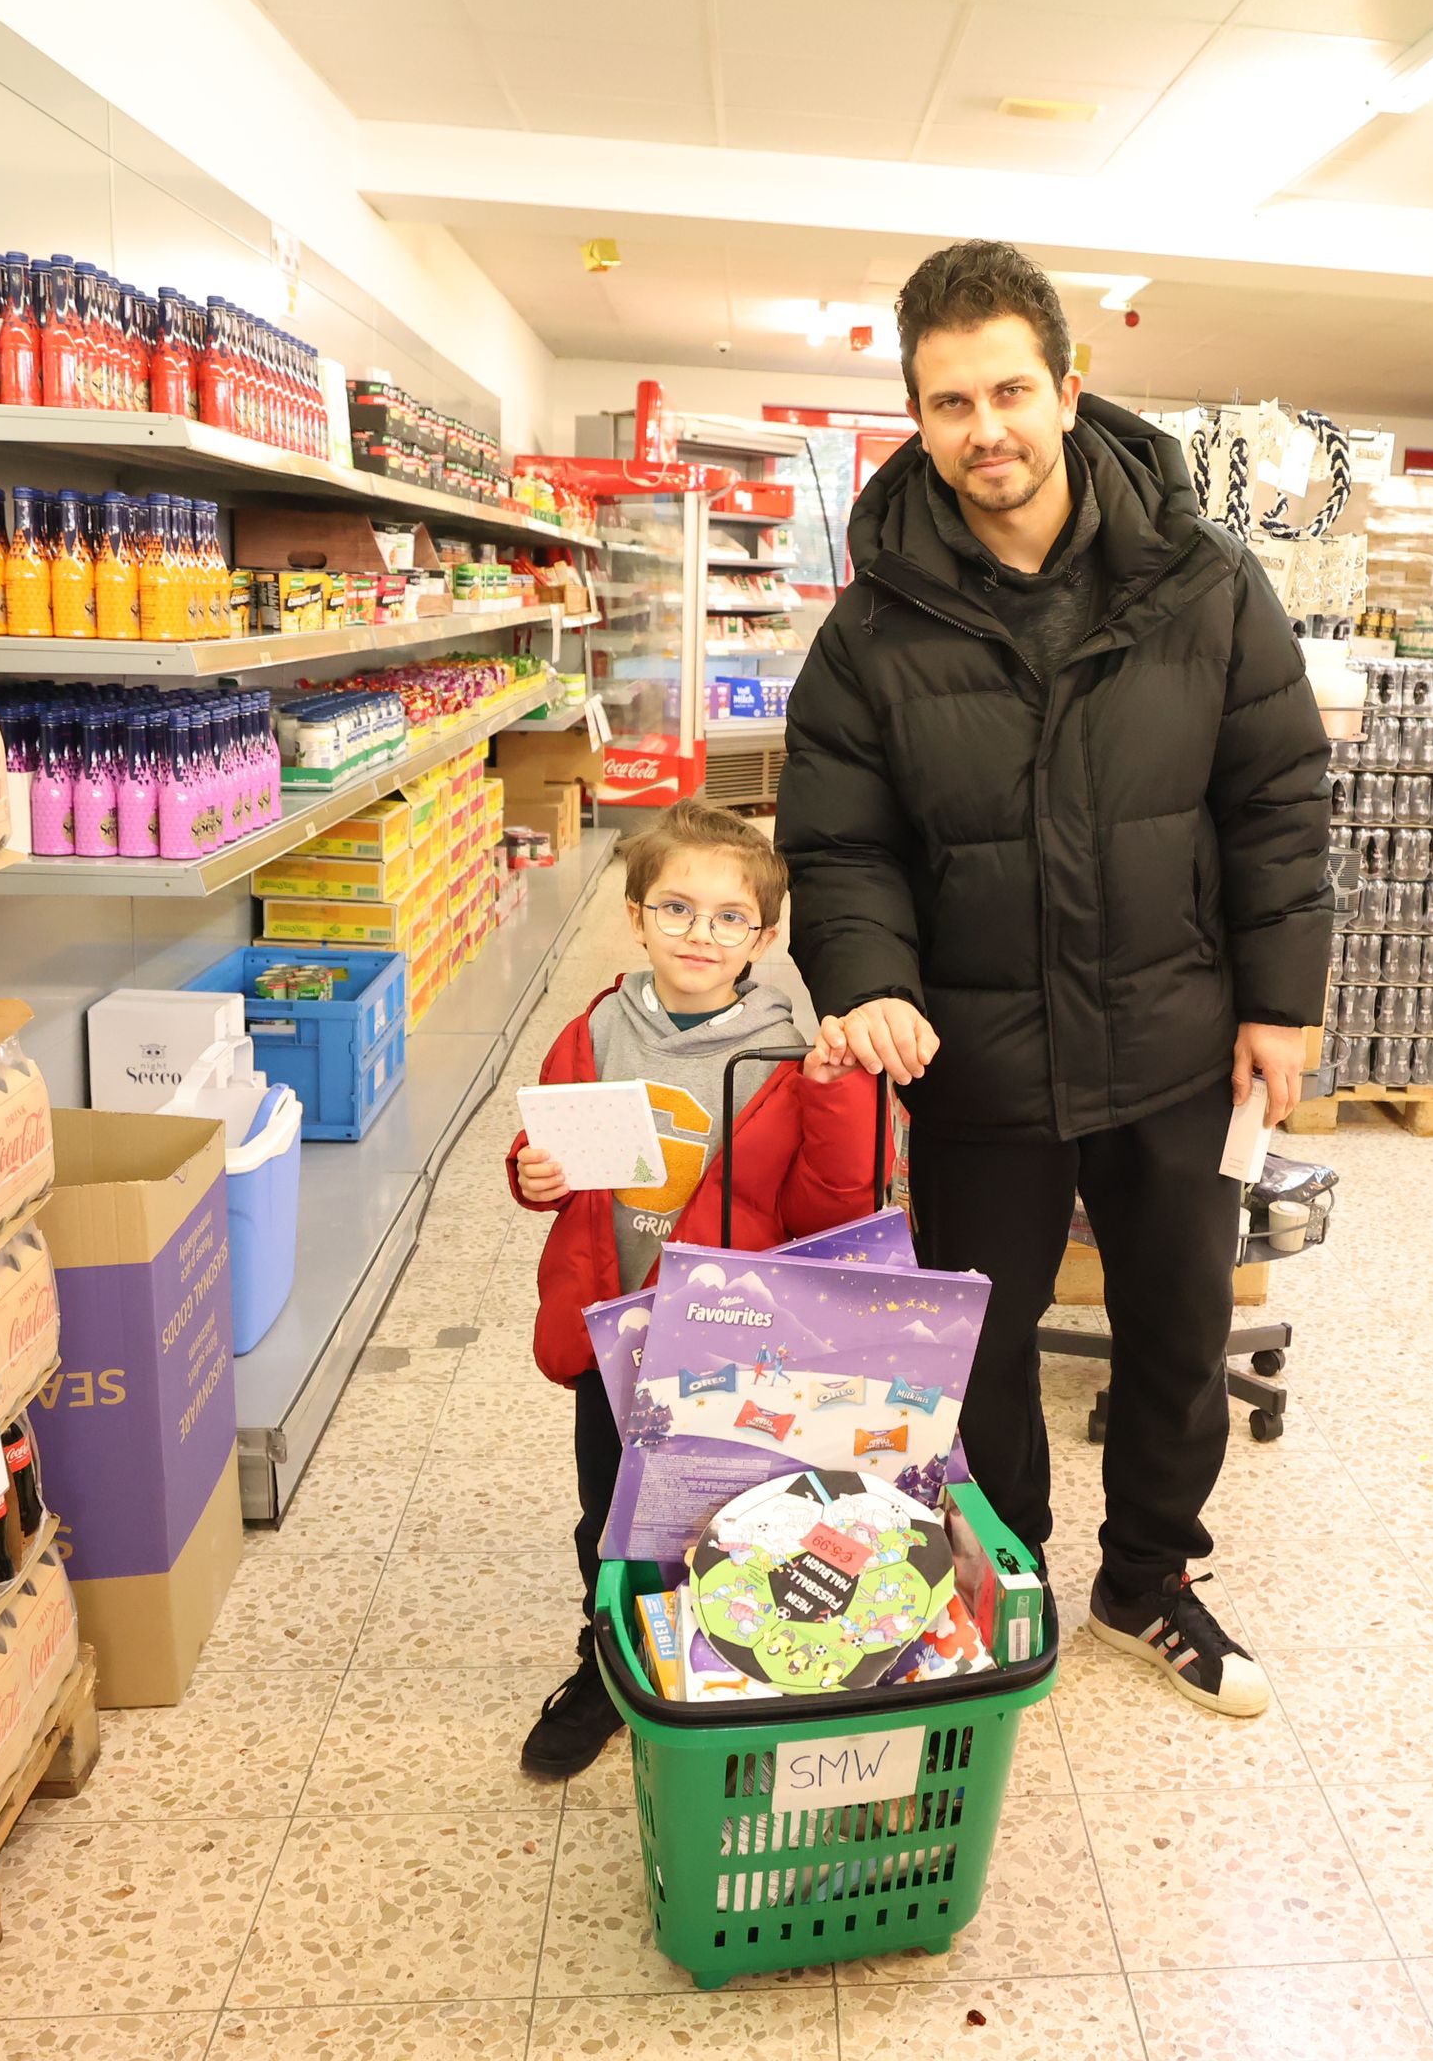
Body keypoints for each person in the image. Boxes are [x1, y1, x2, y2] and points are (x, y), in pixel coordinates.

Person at [779, 239, 1331, 1720]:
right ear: (916, 415)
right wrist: (869, 973)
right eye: (949, 402)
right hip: (979, 1054)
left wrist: (1281, 996)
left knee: (1174, 1326)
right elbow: (839, 839)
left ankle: (1151, 1573)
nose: (986, 430)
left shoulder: (1204, 585)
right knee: (983, 1339)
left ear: (1070, 389)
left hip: (1175, 1031)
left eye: (1010, 389)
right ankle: (1005, 1571)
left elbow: (1276, 794)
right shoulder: (875, 626)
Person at [504, 799, 880, 1781]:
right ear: (634, 916)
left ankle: (731, 1670)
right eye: (675, 909)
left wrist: (839, 1088)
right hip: (609, 1329)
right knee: (610, 1519)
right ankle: (611, 1666)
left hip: (726, 1348)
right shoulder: (593, 1032)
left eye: (727, 918)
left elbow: (829, 1207)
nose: (698, 934)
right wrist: (531, 1172)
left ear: (763, 935)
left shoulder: (785, 1053)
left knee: (732, 1519)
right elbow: (545, 1149)